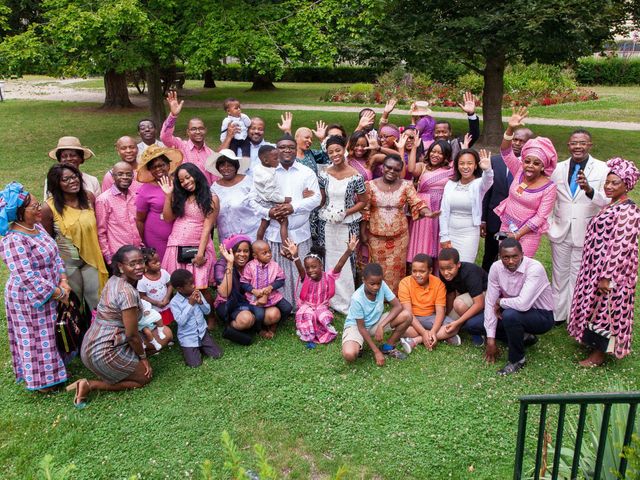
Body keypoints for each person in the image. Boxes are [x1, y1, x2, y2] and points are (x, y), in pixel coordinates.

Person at [73, 246, 173, 408]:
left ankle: (119, 368)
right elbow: (132, 335)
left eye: (141, 262)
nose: (139, 267)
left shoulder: (114, 280)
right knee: (144, 379)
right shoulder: (127, 293)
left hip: (92, 344)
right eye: (132, 264)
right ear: (120, 266)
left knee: (165, 333)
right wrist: (143, 359)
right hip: (104, 351)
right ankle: (91, 385)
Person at [568, 157, 640, 367]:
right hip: (594, 267)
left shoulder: (628, 211)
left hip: (611, 272)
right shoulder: (613, 204)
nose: (608, 187)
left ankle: (599, 354)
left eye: (615, 183)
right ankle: (592, 342)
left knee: (605, 312)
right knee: (594, 306)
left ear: (627, 185)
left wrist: (607, 277)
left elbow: (620, 246)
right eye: (607, 182)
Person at [0, 183, 70, 392]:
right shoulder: (13, 240)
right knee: (34, 338)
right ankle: (41, 382)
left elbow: (55, 254)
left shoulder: (37, 227)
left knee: (50, 333)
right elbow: (26, 276)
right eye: (34, 207)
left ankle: (56, 372)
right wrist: (58, 293)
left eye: (38, 204)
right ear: (20, 213)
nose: (40, 209)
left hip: (53, 289)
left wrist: (63, 280)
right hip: (28, 297)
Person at [248, 134, 321, 308]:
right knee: (276, 273)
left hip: (300, 233)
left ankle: (303, 303)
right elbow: (251, 199)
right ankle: (279, 305)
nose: (286, 150)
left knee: (301, 270)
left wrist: (293, 207)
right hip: (274, 233)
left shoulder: (306, 172)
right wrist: (268, 211)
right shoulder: (266, 171)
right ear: (276, 150)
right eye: (282, 147)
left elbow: (317, 198)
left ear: (296, 150)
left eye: (290, 147)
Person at [548, 129, 609, 325]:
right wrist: (550, 224)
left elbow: (607, 201)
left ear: (590, 145)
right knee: (559, 274)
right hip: (560, 229)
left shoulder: (602, 169)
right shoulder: (558, 168)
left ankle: (574, 316)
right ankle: (557, 313)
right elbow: (550, 199)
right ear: (568, 145)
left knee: (577, 275)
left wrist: (590, 191)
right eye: (574, 143)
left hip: (586, 232)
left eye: (583, 143)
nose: (578, 146)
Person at [362, 154, 434, 294]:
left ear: (400, 171)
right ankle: (377, 293)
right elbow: (365, 210)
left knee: (397, 268)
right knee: (377, 267)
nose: (391, 171)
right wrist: (363, 232)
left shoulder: (406, 185)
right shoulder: (370, 185)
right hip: (376, 236)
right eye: (388, 167)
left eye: (396, 169)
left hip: (399, 237)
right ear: (382, 168)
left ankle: (395, 295)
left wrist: (427, 212)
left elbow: (416, 202)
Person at [41, 163, 108, 311]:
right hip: (67, 265)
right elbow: (48, 241)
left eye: (75, 176)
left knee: (97, 302)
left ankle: (98, 332)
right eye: (66, 179)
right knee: (74, 306)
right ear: (56, 183)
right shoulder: (48, 208)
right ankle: (79, 334)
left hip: (92, 261)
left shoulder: (88, 197)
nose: (73, 181)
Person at [159, 162, 218, 328]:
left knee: (201, 286)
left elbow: (207, 227)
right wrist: (168, 195)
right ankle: (185, 317)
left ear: (196, 175)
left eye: (187, 177)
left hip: (197, 245)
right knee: (178, 285)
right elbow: (168, 217)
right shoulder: (181, 196)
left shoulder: (211, 198)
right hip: (176, 243)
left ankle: (211, 316)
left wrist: (200, 253)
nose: (185, 182)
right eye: (181, 180)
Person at [484, 239, 555, 376]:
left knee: (510, 316)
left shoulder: (535, 268)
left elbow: (523, 304)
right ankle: (524, 337)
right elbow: (490, 302)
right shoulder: (496, 268)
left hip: (541, 316)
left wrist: (500, 302)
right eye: (506, 257)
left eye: (514, 256)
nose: (510, 261)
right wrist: (490, 339)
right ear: (500, 256)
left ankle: (517, 360)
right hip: (512, 308)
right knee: (474, 325)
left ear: (522, 254)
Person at [495, 107, 558, 257]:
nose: (530, 166)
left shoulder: (549, 187)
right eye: (527, 161)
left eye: (536, 163)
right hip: (506, 225)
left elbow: (540, 217)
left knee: (521, 266)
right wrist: (510, 128)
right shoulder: (519, 170)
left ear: (543, 166)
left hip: (528, 233)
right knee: (504, 262)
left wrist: (517, 234)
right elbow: (505, 151)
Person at [317, 135, 367, 313]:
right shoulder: (324, 174)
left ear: (344, 150)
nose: (335, 154)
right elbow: (322, 198)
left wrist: (345, 212)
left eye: (337, 150)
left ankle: (345, 300)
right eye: (330, 152)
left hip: (347, 223)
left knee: (346, 260)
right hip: (327, 223)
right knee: (329, 258)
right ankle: (329, 298)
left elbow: (363, 202)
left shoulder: (356, 176)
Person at [283, 236, 359, 347]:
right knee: (309, 314)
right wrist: (295, 255)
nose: (310, 270)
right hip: (307, 306)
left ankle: (324, 327)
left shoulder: (328, 277)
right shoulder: (306, 277)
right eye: (307, 267)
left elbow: (339, 264)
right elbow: (299, 266)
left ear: (321, 266)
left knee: (321, 316)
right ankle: (307, 332)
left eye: (314, 267)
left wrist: (348, 251)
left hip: (321, 306)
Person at [481, 128, 534, 272]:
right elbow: (487, 192)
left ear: (529, 143)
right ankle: (487, 285)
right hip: (494, 218)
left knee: (514, 257)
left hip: (518, 222)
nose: (516, 143)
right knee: (490, 255)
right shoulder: (495, 161)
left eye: (521, 141)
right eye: (514, 139)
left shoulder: (532, 167)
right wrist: (483, 219)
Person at [341, 263, 413, 365]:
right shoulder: (357, 298)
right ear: (364, 280)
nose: (376, 287)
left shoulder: (382, 285)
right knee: (349, 354)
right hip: (356, 326)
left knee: (407, 315)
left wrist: (381, 325)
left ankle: (388, 347)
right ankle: (357, 344)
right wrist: (376, 352)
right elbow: (361, 328)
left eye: (378, 283)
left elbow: (398, 306)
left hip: (375, 322)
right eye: (372, 284)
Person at [439, 148, 493, 263]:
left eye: (469, 163)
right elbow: (443, 211)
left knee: (465, 266)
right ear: (457, 166)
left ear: (475, 166)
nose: (465, 167)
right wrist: (444, 236)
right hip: (450, 231)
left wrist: (488, 170)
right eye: (462, 163)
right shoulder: (450, 184)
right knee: (449, 267)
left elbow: (488, 181)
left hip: (469, 233)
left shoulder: (479, 184)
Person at [406, 139, 452, 269]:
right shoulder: (423, 166)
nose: (435, 155)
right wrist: (414, 147)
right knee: (422, 243)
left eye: (440, 153)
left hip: (440, 208)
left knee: (438, 241)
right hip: (423, 209)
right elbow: (411, 169)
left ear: (446, 156)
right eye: (433, 151)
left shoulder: (450, 170)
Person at [398, 254, 458, 352]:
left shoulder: (438, 284)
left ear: (430, 271)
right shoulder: (404, 283)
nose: (417, 275)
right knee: (401, 328)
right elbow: (408, 313)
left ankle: (415, 340)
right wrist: (423, 332)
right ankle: (442, 337)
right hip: (411, 319)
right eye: (414, 271)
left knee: (453, 326)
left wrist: (433, 331)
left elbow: (440, 312)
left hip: (430, 317)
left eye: (422, 271)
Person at [135, 145, 182, 264]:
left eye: (162, 165)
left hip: (180, 235)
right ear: (150, 170)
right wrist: (142, 242)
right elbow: (140, 219)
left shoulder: (179, 183)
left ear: (168, 165)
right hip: (156, 238)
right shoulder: (145, 190)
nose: (158, 169)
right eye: (154, 167)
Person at [160, 90, 217, 185]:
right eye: (193, 129)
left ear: (205, 130)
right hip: (184, 194)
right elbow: (165, 137)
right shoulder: (180, 146)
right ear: (188, 132)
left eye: (201, 128)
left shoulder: (211, 154)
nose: (198, 132)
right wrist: (173, 116)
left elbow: (214, 180)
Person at [169, 269, 223, 367]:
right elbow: (181, 322)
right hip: (188, 337)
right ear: (180, 289)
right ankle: (190, 349)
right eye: (190, 284)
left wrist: (200, 302)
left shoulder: (197, 293)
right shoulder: (174, 302)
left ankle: (202, 346)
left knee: (217, 354)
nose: (194, 286)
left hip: (202, 332)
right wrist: (190, 305)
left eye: (193, 282)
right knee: (195, 364)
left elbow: (207, 311)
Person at [240, 240, 292, 339]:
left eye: (269, 251)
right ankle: (259, 329)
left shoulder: (274, 265)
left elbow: (281, 280)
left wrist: (271, 287)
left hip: (272, 295)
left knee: (287, 308)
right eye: (264, 253)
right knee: (259, 316)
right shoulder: (250, 266)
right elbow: (243, 282)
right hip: (255, 298)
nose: (269, 255)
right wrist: (253, 290)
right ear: (255, 256)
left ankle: (275, 324)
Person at [437, 248, 488, 346]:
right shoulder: (444, 273)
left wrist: (458, 323)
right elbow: (450, 294)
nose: (446, 272)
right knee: (447, 323)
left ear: (458, 265)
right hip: (468, 296)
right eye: (442, 269)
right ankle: (464, 325)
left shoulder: (470, 273)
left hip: (485, 294)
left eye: (449, 268)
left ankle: (477, 329)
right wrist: (448, 316)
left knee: (459, 304)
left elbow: (479, 303)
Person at [95, 161, 142, 264]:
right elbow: (101, 231)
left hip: (137, 252)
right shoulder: (103, 200)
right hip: (118, 256)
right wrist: (109, 258)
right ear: (113, 176)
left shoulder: (135, 197)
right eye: (120, 174)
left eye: (128, 174)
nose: (125, 177)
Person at [214, 235, 257, 345]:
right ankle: (232, 326)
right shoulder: (221, 265)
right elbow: (224, 293)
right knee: (247, 319)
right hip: (229, 303)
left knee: (271, 315)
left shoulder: (252, 263)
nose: (242, 254)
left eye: (246, 251)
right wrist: (230, 263)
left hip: (250, 301)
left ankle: (250, 322)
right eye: (238, 251)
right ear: (231, 251)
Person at [207, 149, 258, 242]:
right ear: (218, 168)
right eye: (222, 165)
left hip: (251, 234)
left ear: (236, 166)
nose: (226, 168)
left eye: (230, 165)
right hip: (227, 238)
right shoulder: (214, 188)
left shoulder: (247, 181)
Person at [253, 145, 291, 244]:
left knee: (264, 223)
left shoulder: (257, 168)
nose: (279, 160)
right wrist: (284, 199)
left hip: (259, 199)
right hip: (269, 202)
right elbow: (269, 195)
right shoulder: (269, 176)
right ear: (266, 161)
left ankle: (258, 243)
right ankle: (286, 245)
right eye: (276, 158)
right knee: (284, 221)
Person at [433, 92, 480, 160]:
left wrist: (471, 114)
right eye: (437, 132)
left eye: (444, 132)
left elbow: (474, 134)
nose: (440, 135)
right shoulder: (430, 146)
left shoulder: (457, 144)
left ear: (450, 132)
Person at [137, 247, 174, 326]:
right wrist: (156, 303)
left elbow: (170, 285)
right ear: (145, 266)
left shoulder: (163, 273)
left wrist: (167, 298)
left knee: (169, 323)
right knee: (157, 324)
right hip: (154, 308)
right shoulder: (142, 280)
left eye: (159, 261)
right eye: (154, 262)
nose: (158, 263)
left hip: (166, 305)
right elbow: (143, 296)